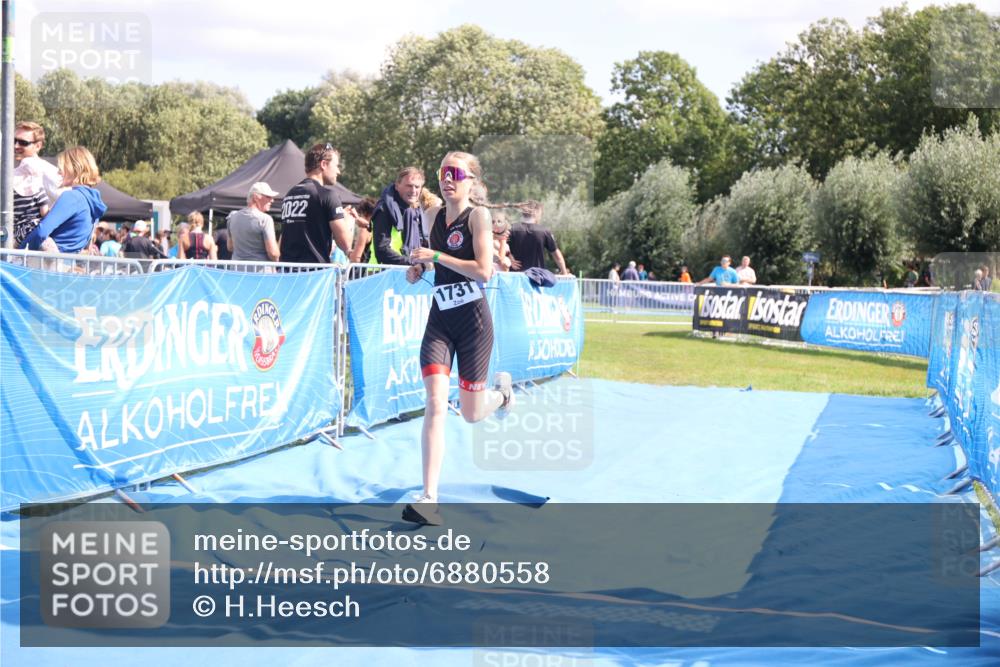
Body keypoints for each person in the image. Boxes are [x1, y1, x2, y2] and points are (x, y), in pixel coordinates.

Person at [402, 151, 514, 525]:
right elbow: (434, 260)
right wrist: (420, 267)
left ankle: (502, 396)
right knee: (434, 402)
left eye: (456, 173)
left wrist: (435, 255)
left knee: (469, 414)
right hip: (440, 321)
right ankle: (428, 498)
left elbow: (484, 271)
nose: (448, 179)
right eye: (443, 172)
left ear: (471, 181)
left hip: (474, 325)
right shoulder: (431, 216)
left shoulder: (478, 216)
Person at [23, 146, 107, 254]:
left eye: (61, 168)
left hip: (46, 265)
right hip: (65, 266)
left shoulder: (72, 197)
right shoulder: (92, 203)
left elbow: (41, 232)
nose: (59, 172)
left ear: (75, 168)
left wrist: (17, 253)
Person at [279, 143, 350, 264]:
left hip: (287, 273)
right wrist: (345, 218)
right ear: (323, 164)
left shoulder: (289, 194)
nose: (338, 172)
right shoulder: (328, 195)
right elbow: (345, 243)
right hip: (314, 275)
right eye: (336, 166)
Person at [11, 121, 63, 248]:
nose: (16, 145)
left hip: (40, 247)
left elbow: (67, 201)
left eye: (23, 142)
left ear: (38, 146)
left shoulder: (45, 170)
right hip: (17, 246)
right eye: (14, 140)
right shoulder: (13, 172)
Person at [371, 167, 426, 265]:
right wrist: (412, 263)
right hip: (381, 274)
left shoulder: (413, 210)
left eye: (417, 187)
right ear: (397, 186)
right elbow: (381, 251)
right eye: (409, 186)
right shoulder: (384, 209)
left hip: (405, 273)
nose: (413, 190)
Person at [505, 201, 570, 275]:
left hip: (515, 276)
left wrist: (509, 258)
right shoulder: (544, 231)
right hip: (537, 277)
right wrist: (564, 272)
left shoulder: (512, 228)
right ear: (536, 214)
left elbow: (500, 247)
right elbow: (556, 255)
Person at [227, 182, 280, 263]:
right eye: (268, 196)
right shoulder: (265, 219)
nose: (272, 200)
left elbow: (230, 247)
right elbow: (273, 253)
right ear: (256, 197)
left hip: (237, 272)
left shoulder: (232, 217)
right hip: (260, 273)